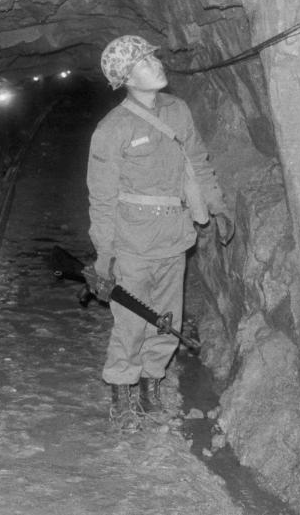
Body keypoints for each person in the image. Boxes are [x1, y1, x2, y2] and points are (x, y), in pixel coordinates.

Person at [87, 34, 233, 432]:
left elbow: (199, 163)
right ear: (127, 78)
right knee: (132, 322)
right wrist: (104, 256)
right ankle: (121, 392)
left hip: (174, 237)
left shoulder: (178, 111)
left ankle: (152, 386)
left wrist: (217, 205)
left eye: (153, 57)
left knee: (167, 318)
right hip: (131, 243)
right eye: (146, 62)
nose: (157, 64)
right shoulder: (112, 129)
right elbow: (101, 199)